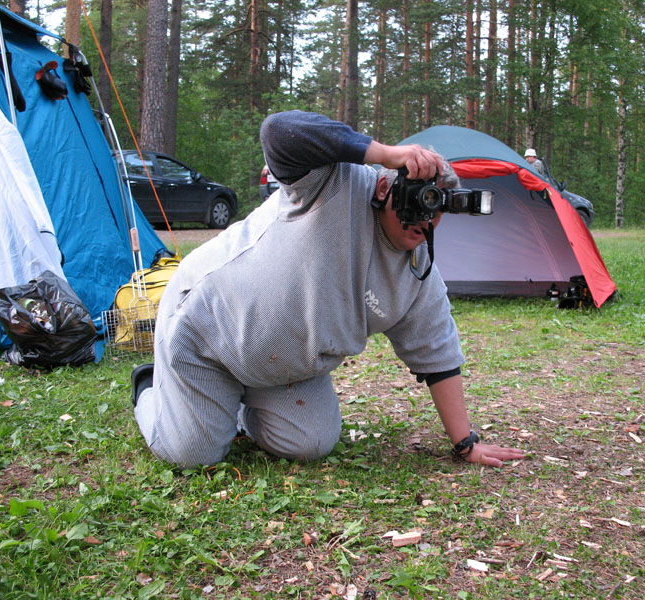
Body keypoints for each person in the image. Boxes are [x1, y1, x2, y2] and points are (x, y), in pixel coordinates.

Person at [131, 110, 524, 469]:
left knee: (311, 443)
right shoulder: (331, 183)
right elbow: (279, 131)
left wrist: (465, 443)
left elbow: (438, 354)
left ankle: (231, 404)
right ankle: (151, 386)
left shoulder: (419, 274)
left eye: (435, 207)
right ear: (385, 190)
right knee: (192, 457)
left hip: (282, 368)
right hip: (207, 333)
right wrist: (385, 154)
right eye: (415, 200)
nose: (424, 218)